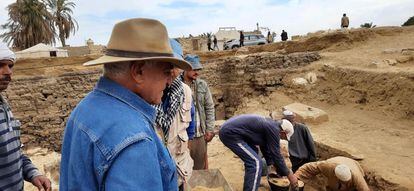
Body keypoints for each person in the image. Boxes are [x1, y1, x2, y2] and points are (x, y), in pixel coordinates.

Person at [60, 18, 192, 190]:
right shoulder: (134, 139)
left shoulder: (84, 108)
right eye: (166, 72)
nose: (169, 81)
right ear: (138, 71)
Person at [0, 43, 52, 191]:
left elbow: (15, 153)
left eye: (10, 66)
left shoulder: (4, 106)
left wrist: (33, 174)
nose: (8, 72)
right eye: (0, 65)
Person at [154, 39, 195, 190]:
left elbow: (190, 130)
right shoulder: (144, 95)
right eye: (166, 66)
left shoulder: (186, 92)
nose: (171, 71)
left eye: (175, 66)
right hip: (154, 177)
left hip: (179, 173)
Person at [219, 114, 298, 191]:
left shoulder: (271, 125)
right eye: (284, 137)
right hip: (230, 133)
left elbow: (265, 146)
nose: (282, 139)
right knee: (255, 162)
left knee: (254, 154)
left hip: (232, 131)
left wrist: (271, 165)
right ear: (283, 132)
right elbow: (276, 154)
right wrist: (290, 175)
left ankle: (252, 182)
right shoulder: (274, 129)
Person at [182, 55, 215, 170]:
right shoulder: (177, 86)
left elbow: (209, 107)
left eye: (198, 69)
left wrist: (210, 129)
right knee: (184, 169)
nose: (197, 72)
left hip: (200, 134)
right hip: (184, 136)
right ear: (185, 68)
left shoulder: (202, 85)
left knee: (200, 169)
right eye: (194, 69)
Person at [295, 156, 370, 191]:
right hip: (336, 162)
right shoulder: (327, 166)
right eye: (343, 181)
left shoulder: (357, 178)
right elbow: (308, 168)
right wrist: (296, 177)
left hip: (351, 164)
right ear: (335, 175)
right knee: (333, 186)